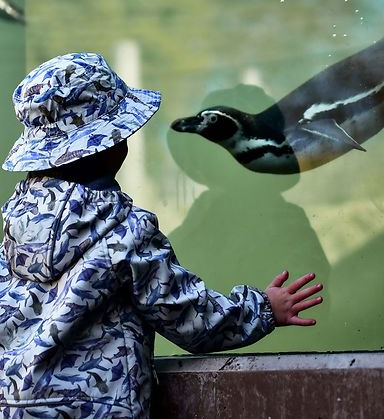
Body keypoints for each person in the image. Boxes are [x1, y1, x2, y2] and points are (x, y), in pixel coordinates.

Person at [0, 53, 323, 418]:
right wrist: (262, 308)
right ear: (114, 145)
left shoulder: (15, 231)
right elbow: (187, 316)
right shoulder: (126, 231)